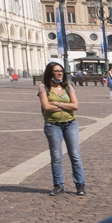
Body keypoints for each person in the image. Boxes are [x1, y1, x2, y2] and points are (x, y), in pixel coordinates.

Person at [38, 62, 85, 196]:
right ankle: (58, 185)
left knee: (75, 155)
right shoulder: (44, 87)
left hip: (70, 124)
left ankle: (80, 184)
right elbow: (46, 107)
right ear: (50, 73)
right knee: (56, 156)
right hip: (52, 125)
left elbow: (75, 106)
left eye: (61, 71)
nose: (59, 73)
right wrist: (65, 105)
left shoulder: (68, 86)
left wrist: (56, 103)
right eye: (56, 71)